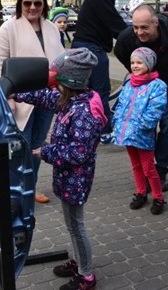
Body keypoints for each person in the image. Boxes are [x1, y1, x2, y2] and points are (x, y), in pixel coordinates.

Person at [13, 48, 105, 290]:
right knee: (72, 224)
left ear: (69, 81)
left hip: (76, 179)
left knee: (77, 225)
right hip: (67, 178)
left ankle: (86, 275)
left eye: (57, 81)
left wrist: (44, 151)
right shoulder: (69, 99)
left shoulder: (83, 112)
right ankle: (78, 261)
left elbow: (78, 153)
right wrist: (16, 93)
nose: (53, 87)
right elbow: (44, 96)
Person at [114, 4, 168, 191]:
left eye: (144, 27)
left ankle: (160, 169)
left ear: (156, 23)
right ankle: (146, 169)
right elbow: (120, 53)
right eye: (136, 27)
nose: (139, 32)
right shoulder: (127, 38)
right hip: (144, 87)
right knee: (146, 124)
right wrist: (135, 72)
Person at [0, 0, 65, 204]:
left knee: (37, 145)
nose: (32, 7)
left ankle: (29, 187)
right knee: (20, 146)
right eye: (27, 3)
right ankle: (16, 190)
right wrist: (8, 96)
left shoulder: (51, 28)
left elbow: (60, 61)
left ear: (44, 4)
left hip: (48, 97)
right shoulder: (8, 28)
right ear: (20, 3)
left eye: (37, 3)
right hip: (21, 99)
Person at [71, 0, 128, 144]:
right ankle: (105, 131)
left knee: (83, 92)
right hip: (92, 50)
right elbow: (115, 24)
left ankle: (82, 127)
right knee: (100, 91)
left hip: (79, 47)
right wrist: (133, 37)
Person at [113, 47, 167, 215]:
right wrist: (117, 122)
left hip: (143, 134)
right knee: (136, 166)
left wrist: (143, 125)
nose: (135, 66)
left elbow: (156, 109)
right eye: (132, 62)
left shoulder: (157, 86)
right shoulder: (129, 83)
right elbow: (121, 105)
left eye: (139, 62)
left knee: (149, 167)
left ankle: (158, 197)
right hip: (127, 132)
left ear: (149, 64)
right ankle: (141, 193)